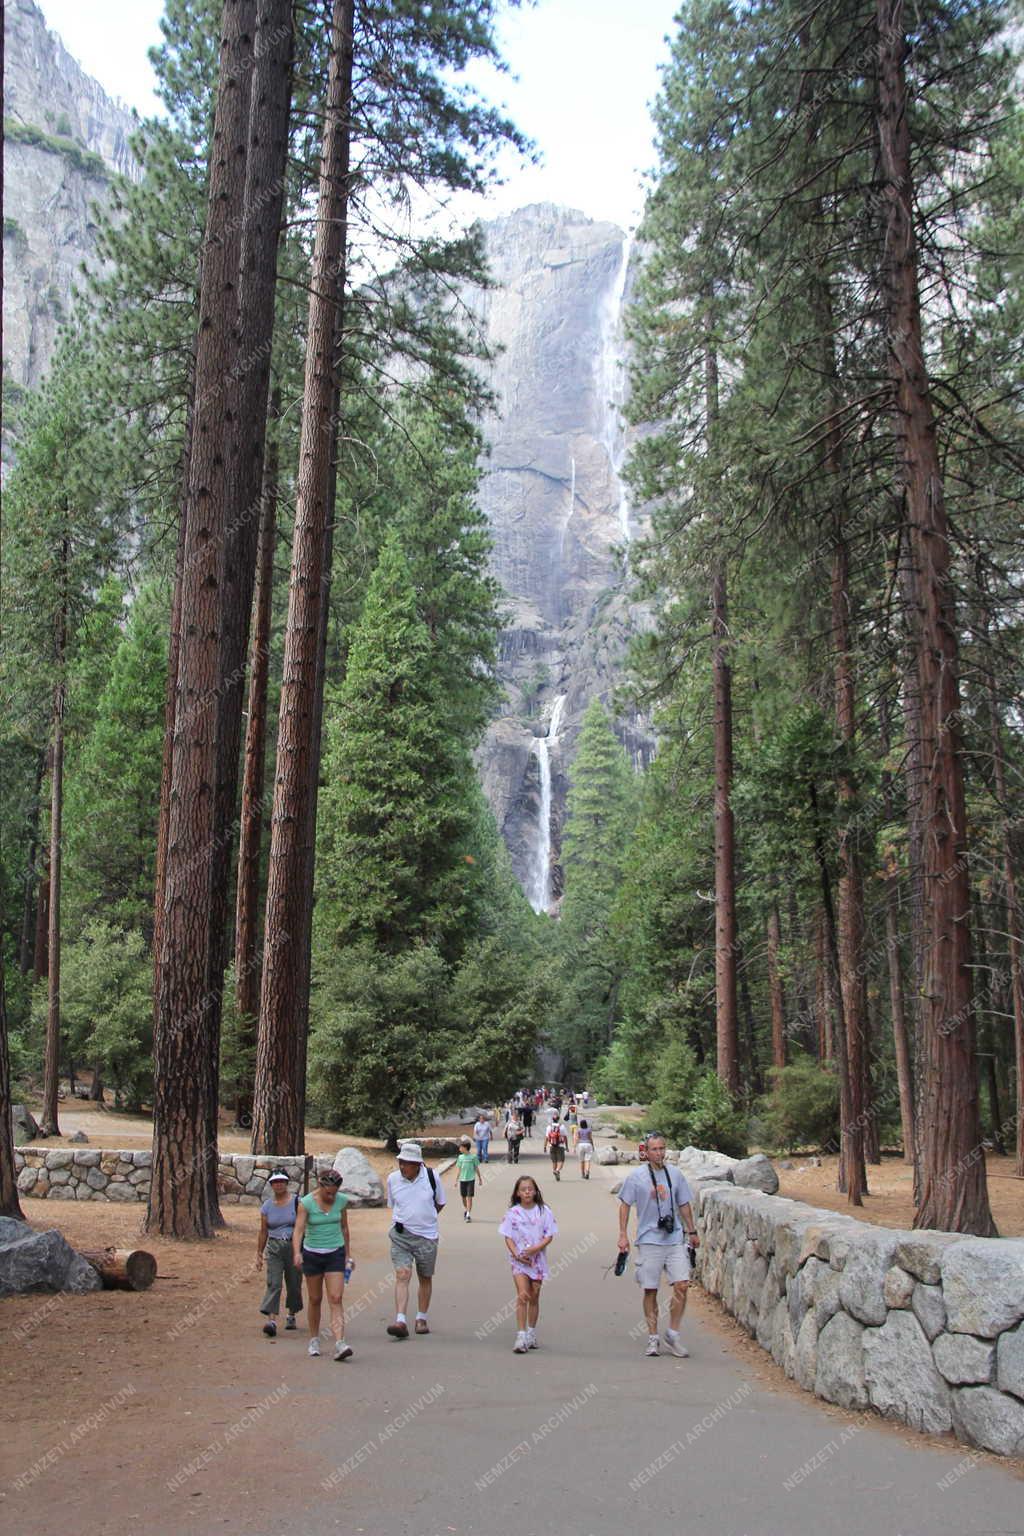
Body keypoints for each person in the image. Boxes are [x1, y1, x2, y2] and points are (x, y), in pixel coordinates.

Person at [617, 1133, 699, 1358]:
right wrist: (623, 1235)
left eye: (662, 1148)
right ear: (646, 1151)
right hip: (649, 1238)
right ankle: (653, 1337)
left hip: (674, 1238)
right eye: (654, 1149)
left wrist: (692, 1230)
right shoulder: (636, 1177)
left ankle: (672, 1333)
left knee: (682, 1284)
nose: (659, 1153)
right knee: (651, 1288)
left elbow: (684, 1204)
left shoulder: (675, 1175)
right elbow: (624, 1205)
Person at [386, 1141, 446, 1338]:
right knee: (403, 1275)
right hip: (401, 1235)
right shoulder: (393, 1179)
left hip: (427, 1236)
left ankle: (421, 1318)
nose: (403, 1167)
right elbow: (393, 1205)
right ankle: (400, 1320)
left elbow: (439, 1203)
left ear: (418, 1164)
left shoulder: (431, 1177)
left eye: (408, 1163)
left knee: (425, 1277)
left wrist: (426, 1218)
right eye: (401, 1162)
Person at [292, 1169, 353, 1361]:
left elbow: (344, 1227)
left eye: (334, 1192)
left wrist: (348, 1256)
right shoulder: (306, 1203)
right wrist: (297, 1252)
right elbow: (298, 1230)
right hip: (313, 1254)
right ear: (320, 1187)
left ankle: (340, 1343)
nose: (331, 1196)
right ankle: (314, 1339)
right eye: (328, 1192)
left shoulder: (342, 1201)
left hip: (335, 1252)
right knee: (315, 1298)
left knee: (335, 1298)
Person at [499, 1175, 558, 1353]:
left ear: (535, 1191)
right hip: (519, 1261)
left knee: (534, 1297)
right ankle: (521, 1335)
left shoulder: (544, 1211)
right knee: (523, 1295)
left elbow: (550, 1235)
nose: (527, 1192)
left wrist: (535, 1249)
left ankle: (531, 1332)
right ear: (517, 1193)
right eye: (523, 1189)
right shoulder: (512, 1213)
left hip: (537, 1260)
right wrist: (516, 1253)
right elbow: (507, 1236)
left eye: (530, 1189)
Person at [256, 1169, 303, 1338]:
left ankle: (292, 1313)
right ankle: (272, 1320)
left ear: (287, 1183)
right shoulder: (267, 1206)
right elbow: (263, 1231)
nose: (279, 1185)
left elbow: (304, 1225)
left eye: (282, 1181)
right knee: (274, 1282)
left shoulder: (298, 1202)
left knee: (294, 1282)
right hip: (274, 1247)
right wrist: (259, 1254)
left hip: (294, 1246)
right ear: (271, 1185)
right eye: (275, 1182)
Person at [454, 1136, 484, 1221]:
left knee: (469, 1197)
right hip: (462, 1180)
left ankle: (468, 1214)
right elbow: (459, 1169)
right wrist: (456, 1180)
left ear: (465, 1148)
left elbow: (476, 1168)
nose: (459, 1148)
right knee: (463, 1197)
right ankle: (467, 1209)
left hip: (471, 1179)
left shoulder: (473, 1157)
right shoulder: (460, 1158)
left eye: (461, 1147)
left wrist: (480, 1179)